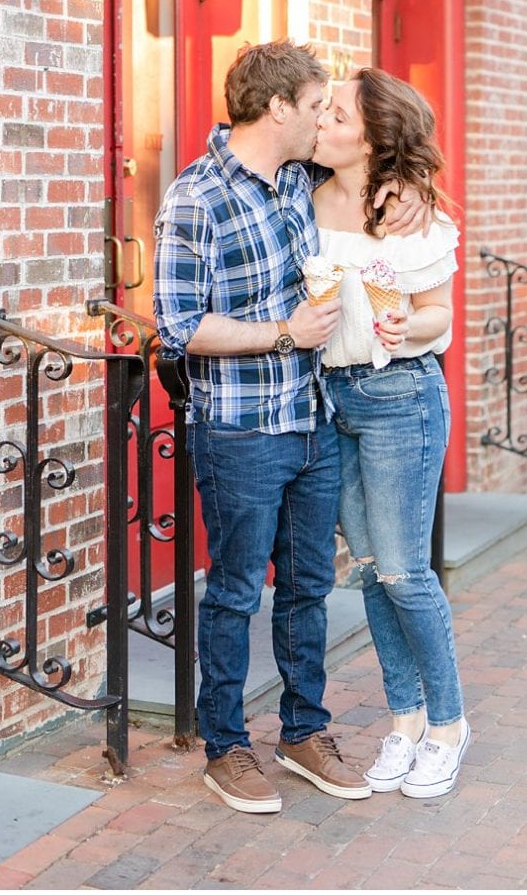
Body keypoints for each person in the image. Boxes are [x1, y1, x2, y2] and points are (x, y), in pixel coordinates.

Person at [153, 40, 428, 815]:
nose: (323, 120)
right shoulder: (195, 198)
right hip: (241, 430)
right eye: (315, 107)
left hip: (315, 422)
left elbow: (382, 172)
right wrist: (284, 332)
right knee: (237, 593)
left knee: (309, 589)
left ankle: (304, 732)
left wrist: (410, 186)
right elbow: (177, 325)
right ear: (278, 107)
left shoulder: (301, 181)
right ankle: (226, 747)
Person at [311, 69, 471, 798]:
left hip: (400, 396)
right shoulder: (301, 195)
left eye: (335, 112)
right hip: (328, 398)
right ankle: (403, 720)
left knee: (406, 570)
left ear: (371, 138)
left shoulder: (410, 214)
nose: (321, 119)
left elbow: (441, 315)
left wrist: (412, 323)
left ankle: (448, 724)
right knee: (371, 567)